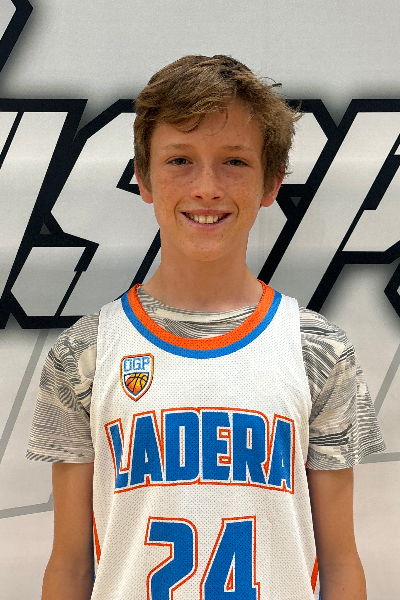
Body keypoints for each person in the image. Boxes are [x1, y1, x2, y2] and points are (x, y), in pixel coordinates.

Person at [27, 55, 385, 600]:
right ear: (144, 178)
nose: (207, 187)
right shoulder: (84, 352)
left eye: (234, 161)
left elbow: (339, 562)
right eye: (180, 160)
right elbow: (72, 566)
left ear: (271, 182)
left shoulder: (318, 349)